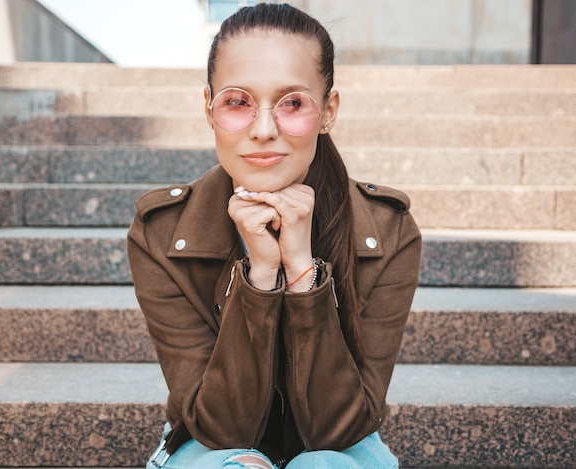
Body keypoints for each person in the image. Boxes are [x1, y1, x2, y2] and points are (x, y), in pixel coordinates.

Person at [127, 3, 422, 468]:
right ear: (209, 109)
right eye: (238, 102)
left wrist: (303, 271)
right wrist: (260, 277)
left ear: (328, 111)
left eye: (293, 103)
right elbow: (221, 429)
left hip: (342, 447)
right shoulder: (161, 233)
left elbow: (336, 429)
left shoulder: (387, 231)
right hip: (208, 442)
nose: (264, 130)